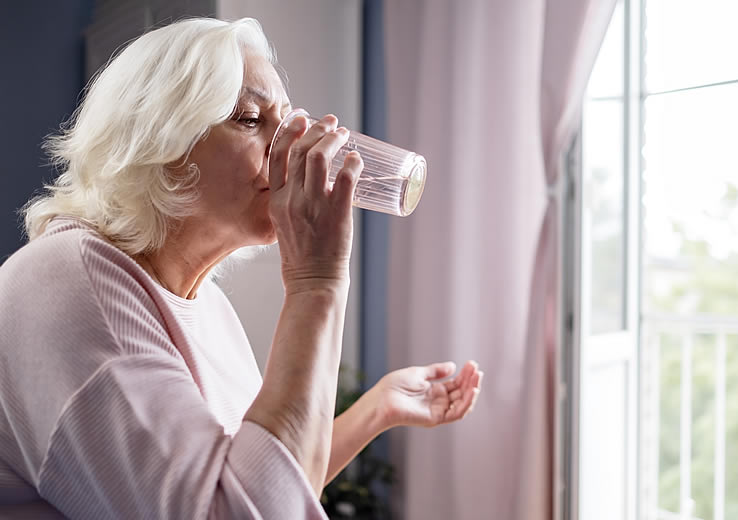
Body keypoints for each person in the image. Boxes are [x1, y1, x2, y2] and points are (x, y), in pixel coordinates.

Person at [0, 16, 483, 518]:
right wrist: (316, 283)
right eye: (251, 119)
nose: (291, 147)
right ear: (159, 143)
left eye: (289, 120)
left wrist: (375, 410)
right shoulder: (72, 283)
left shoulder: (206, 304)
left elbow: (263, 483)